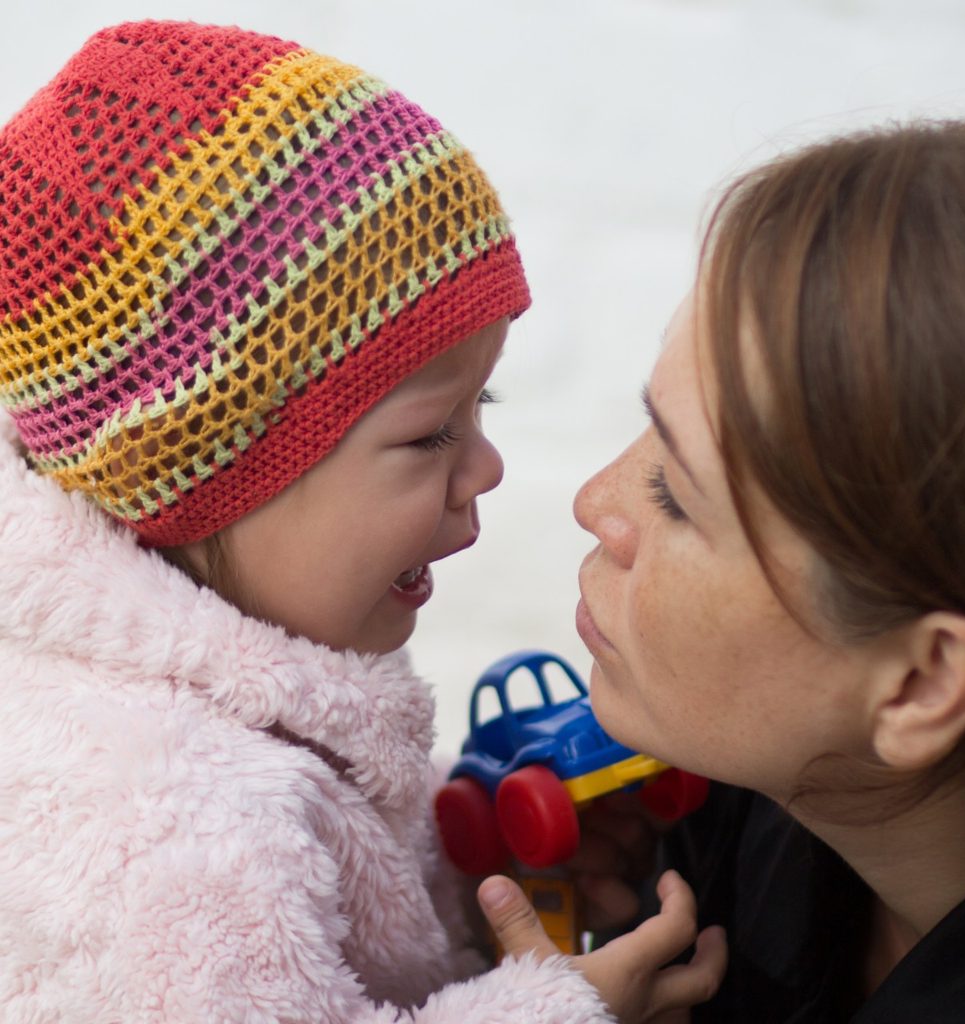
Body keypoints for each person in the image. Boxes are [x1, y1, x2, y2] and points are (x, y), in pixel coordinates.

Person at [0, 20, 726, 1023]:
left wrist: (467, 879)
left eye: (489, 409)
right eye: (432, 435)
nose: (488, 466)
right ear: (208, 473)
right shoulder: (165, 826)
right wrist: (556, 1014)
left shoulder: (206, 710)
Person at [491, 116, 965, 1021]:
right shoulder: (735, 814)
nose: (595, 501)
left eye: (676, 496)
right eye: (649, 424)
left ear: (922, 685)